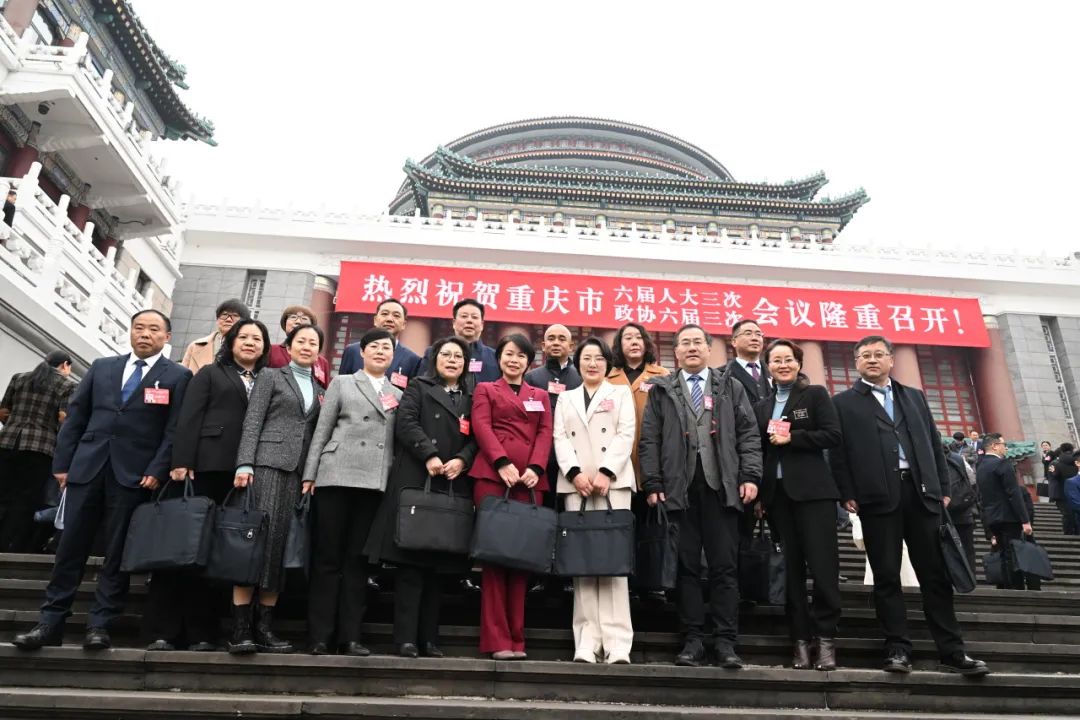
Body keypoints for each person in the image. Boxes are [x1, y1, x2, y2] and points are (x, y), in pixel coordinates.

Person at [13, 310, 192, 651]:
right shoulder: (102, 367)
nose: (145, 334)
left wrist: (156, 469)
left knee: (117, 552)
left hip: (134, 476)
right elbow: (76, 417)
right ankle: (50, 622)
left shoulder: (178, 376)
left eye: (154, 329)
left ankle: (100, 624)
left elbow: (174, 430)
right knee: (69, 548)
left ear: (167, 337)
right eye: (139, 328)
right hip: (87, 469)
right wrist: (63, 464)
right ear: (130, 331)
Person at [831, 335, 988, 677]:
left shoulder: (913, 397)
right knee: (886, 576)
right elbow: (838, 453)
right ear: (856, 363)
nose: (872, 360)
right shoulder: (842, 403)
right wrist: (846, 492)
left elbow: (934, 443)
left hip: (922, 496)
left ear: (891, 359)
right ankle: (897, 649)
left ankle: (952, 651)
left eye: (879, 354)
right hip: (876, 498)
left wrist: (942, 487)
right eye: (865, 355)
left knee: (935, 576)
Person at [143, 318, 271, 651]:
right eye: (243, 337)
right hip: (203, 469)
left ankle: (202, 632)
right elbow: (188, 418)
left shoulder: (268, 380)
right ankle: (163, 631)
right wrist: (182, 461)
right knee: (183, 547)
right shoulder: (210, 374)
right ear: (231, 342)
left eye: (257, 338)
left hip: (242, 476)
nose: (250, 342)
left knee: (218, 554)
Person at [639, 324, 762, 668]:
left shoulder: (730, 387)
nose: (692, 348)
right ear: (676, 352)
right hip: (679, 490)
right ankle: (692, 640)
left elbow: (749, 434)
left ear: (709, 350)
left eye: (698, 342)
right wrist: (653, 482)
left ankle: (725, 642)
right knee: (686, 568)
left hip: (722, 488)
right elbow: (650, 439)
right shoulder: (662, 390)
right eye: (685, 343)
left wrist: (750, 476)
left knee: (725, 568)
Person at [366, 336, 477, 658]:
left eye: (458, 356)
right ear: (435, 359)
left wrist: (463, 460)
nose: (452, 360)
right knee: (411, 567)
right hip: (417, 477)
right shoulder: (419, 386)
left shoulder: (472, 397)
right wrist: (429, 453)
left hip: (451, 483)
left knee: (437, 569)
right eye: (446, 355)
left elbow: (478, 437)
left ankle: (429, 639)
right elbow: (406, 423)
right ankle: (406, 639)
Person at [303, 328, 401, 657]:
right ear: (362, 352)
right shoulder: (343, 383)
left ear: (393, 356)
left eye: (386, 348)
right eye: (374, 346)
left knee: (358, 562)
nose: (380, 352)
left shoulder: (398, 393)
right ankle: (319, 636)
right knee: (327, 558)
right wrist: (310, 473)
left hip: (373, 482)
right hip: (335, 474)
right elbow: (322, 430)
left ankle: (350, 637)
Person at [230, 323, 326, 655]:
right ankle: (240, 630)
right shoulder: (271, 376)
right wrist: (245, 463)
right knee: (255, 544)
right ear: (289, 346)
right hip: (266, 466)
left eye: (313, 343)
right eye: (302, 341)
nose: (307, 346)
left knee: (282, 547)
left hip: (297, 474)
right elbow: (252, 421)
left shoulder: (320, 388)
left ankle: (264, 628)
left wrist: (310, 474)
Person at [753, 339, 842, 671]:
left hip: (814, 494)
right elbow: (761, 451)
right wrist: (761, 496)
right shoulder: (763, 406)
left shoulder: (815, 395)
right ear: (768, 367)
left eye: (788, 359)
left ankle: (826, 639)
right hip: (778, 498)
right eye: (776, 360)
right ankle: (800, 641)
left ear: (798, 363)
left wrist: (795, 438)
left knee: (823, 568)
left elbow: (832, 435)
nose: (783, 365)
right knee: (790, 572)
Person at [552, 337, 636, 664]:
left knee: (613, 563)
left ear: (607, 363)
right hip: (578, 486)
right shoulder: (566, 397)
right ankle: (586, 641)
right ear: (578, 363)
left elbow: (626, 434)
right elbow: (560, 437)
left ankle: (618, 643)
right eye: (586, 358)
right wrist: (574, 473)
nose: (592, 364)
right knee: (583, 563)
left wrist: (606, 471)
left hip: (613, 485)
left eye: (599, 358)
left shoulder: (621, 393)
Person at [470, 333, 553, 659]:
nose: (514, 360)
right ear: (499, 358)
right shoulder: (486, 389)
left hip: (529, 483)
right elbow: (482, 426)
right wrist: (501, 462)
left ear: (529, 362)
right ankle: (496, 640)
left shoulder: (540, 395)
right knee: (494, 561)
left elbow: (545, 432)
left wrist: (536, 467)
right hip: (493, 478)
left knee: (522, 560)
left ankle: (517, 639)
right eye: (508, 354)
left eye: (521, 355)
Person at [0, 350, 75, 552]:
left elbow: (3, 411)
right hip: (40, 448)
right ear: (65, 365)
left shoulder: (19, 378)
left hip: (7, 443)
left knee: (3, 492)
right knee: (26, 498)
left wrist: (14, 425)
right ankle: (9, 546)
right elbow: (63, 418)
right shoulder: (67, 385)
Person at [976, 433, 1032, 590]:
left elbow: (980, 497)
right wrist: (1025, 520)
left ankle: (1006, 587)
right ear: (994, 446)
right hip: (1008, 517)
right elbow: (1013, 493)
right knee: (1013, 554)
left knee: (1002, 553)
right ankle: (1016, 588)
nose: (1005, 448)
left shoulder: (980, 467)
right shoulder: (1002, 464)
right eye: (1003, 444)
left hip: (992, 518)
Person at [338, 297, 422, 382]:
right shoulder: (353, 351)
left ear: (404, 324)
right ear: (375, 320)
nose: (389, 319)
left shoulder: (413, 360)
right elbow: (341, 384)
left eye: (396, 316)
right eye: (384, 314)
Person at [418, 298, 499, 386]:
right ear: (454, 323)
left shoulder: (495, 357)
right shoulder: (434, 352)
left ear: (482, 325)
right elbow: (420, 385)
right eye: (464, 316)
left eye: (474, 317)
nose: (469, 321)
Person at [267, 305, 331, 389]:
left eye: (304, 319)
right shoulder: (270, 351)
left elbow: (323, 391)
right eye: (293, 317)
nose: (298, 321)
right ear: (285, 323)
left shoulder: (322, 362)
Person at [180, 298, 250, 373]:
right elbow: (183, 376)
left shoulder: (249, 349)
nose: (228, 319)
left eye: (235, 315)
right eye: (224, 315)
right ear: (217, 319)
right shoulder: (195, 346)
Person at [944, 445, 979, 573]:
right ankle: (970, 578)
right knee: (967, 550)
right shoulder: (958, 458)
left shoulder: (926, 457)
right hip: (963, 510)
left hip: (942, 512)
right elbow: (972, 480)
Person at [725, 319, 772, 405]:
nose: (754, 338)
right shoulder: (722, 374)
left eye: (758, 334)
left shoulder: (773, 370)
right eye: (748, 333)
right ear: (734, 342)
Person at [1048, 443, 1078, 535]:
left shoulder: (1055, 464)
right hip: (1076, 491)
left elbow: (1053, 478)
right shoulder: (1076, 462)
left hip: (1061, 493)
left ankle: (1068, 533)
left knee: (1067, 514)